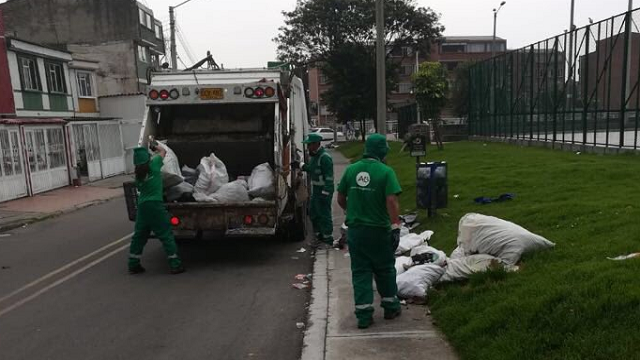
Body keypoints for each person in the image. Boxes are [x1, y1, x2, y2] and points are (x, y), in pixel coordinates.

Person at [337, 133, 402, 329]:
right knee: (384, 269)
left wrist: (351, 210)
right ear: (382, 152)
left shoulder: (351, 170)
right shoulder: (386, 172)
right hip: (379, 231)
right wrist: (395, 226)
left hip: (356, 231)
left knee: (361, 272)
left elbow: (340, 197)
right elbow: (391, 201)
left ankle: (364, 316)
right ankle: (391, 307)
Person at [129, 144, 185, 275]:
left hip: (142, 206)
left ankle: (133, 264)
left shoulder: (138, 175)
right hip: (155, 205)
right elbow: (164, 151)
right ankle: (175, 264)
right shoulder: (154, 165)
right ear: (148, 159)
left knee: (139, 236)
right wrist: (154, 145)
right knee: (166, 234)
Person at [296, 133, 334, 247]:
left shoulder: (325, 158)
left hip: (323, 190)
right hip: (316, 190)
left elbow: (329, 177)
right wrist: (300, 165)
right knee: (313, 213)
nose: (308, 148)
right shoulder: (315, 157)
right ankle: (319, 237)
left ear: (316, 144)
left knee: (324, 214)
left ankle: (327, 239)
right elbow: (311, 169)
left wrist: (325, 192)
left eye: (310, 145)